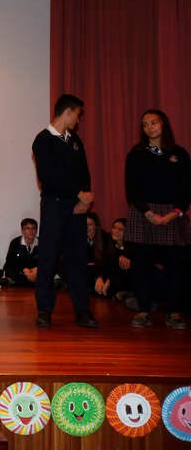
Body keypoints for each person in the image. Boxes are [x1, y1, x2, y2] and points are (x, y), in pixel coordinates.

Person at [31, 93, 97, 328]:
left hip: (76, 209)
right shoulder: (43, 140)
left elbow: (85, 174)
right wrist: (77, 193)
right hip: (54, 206)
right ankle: (44, 309)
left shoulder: (76, 141)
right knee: (48, 258)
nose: (78, 120)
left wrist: (84, 199)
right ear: (67, 112)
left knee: (77, 259)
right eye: (78, 114)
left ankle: (82, 310)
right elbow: (48, 177)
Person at [125, 109, 191, 329]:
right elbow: (131, 190)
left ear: (164, 124)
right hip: (144, 214)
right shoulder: (136, 154)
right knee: (142, 265)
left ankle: (174, 312)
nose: (149, 127)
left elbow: (186, 189)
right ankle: (144, 310)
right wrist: (149, 213)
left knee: (174, 266)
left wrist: (174, 213)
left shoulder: (179, 154)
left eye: (153, 122)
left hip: (172, 215)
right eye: (145, 124)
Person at [96, 218, 133, 300]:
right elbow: (104, 265)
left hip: (128, 280)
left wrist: (110, 280)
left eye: (120, 229)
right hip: (114, 279)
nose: (116, 231)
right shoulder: (110, 246)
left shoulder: (132, 248)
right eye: (114, 228)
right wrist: (100, 278)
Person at [2, 218, 39, 287]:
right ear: (22, 231)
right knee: (10, 270)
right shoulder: (15, 242)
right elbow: (10, 262)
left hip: (35, 272)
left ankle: (17, 282)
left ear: (36, 231)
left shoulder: (42, 243)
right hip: (21, 272)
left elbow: (46, 261)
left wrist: (37, 269)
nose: (31, 231)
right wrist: (24, 270)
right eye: (27, 228)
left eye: (33, 228)